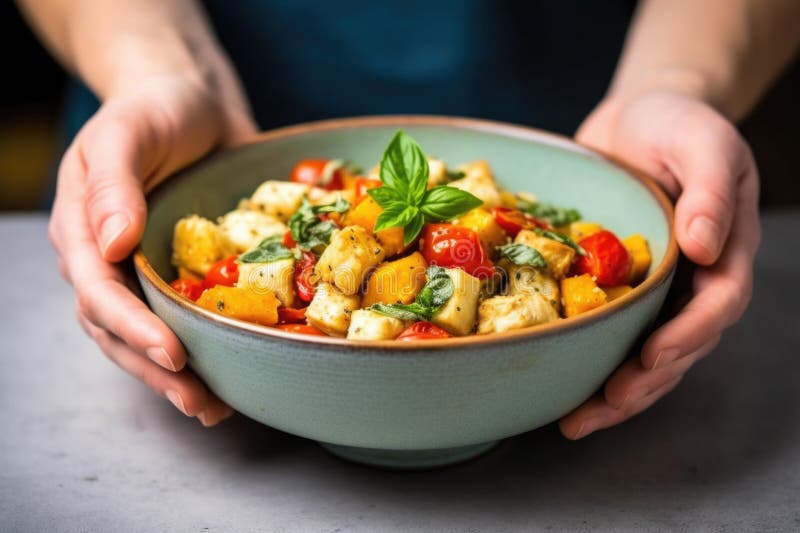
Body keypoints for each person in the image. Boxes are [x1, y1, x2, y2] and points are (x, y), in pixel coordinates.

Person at [18, 0, 799, 436]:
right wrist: (152, 70)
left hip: (596, 109)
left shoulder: (506, 234)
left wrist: (681, 79)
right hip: (188, 127)